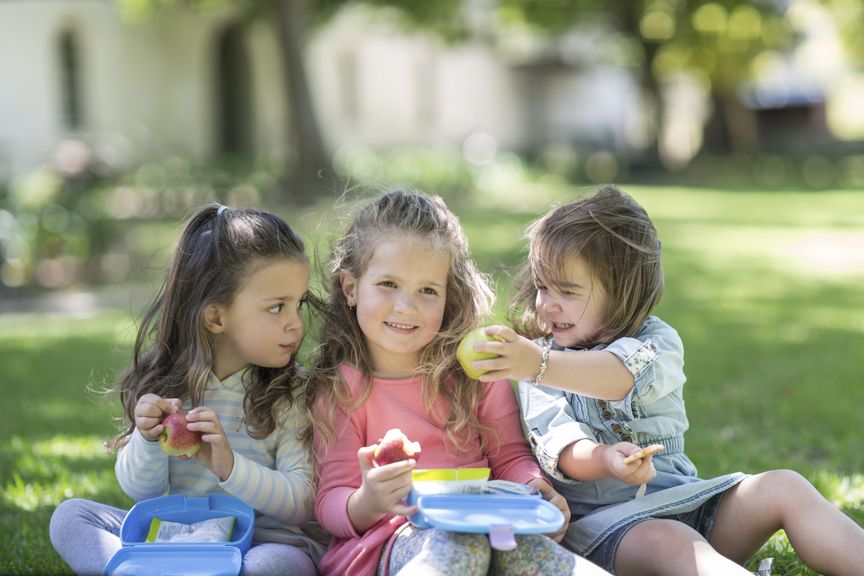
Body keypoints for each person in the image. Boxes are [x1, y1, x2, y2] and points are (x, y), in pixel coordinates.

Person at [464, 185, 864, 575]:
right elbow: (565, 450)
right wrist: (605, 458)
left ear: (622, 293)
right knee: (673, 541)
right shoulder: (537, 364)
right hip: (610, 531)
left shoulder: (655, 342)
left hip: (690, 503)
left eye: (566, 291)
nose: (547, 303)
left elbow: (619, 377)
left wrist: (537, 362)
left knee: (785, 486)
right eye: (542, 286)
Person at [305, 189, 613, 576]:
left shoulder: (475, 375)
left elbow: (510, 459)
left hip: (490, 524)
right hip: (394, 538)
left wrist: (537, 488)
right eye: (388, 284)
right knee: (460, 548)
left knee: (541, 558)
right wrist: (369, 499)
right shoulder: (342, 390)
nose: (406, 306)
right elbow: (331, 501)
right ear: (351, 287)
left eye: (427, 290)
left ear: (448, 296)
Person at [50, 204, 326, 576]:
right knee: (71, 516)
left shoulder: (293, 392)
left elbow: (301, 502)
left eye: (299, 304)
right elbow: (140, 491)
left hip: (261, 543)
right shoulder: (167, 387)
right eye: (277, 308)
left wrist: (229, 467)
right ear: (216, 317)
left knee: (277, 565)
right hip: (181, 538)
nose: (296, 324)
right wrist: (147, 439)